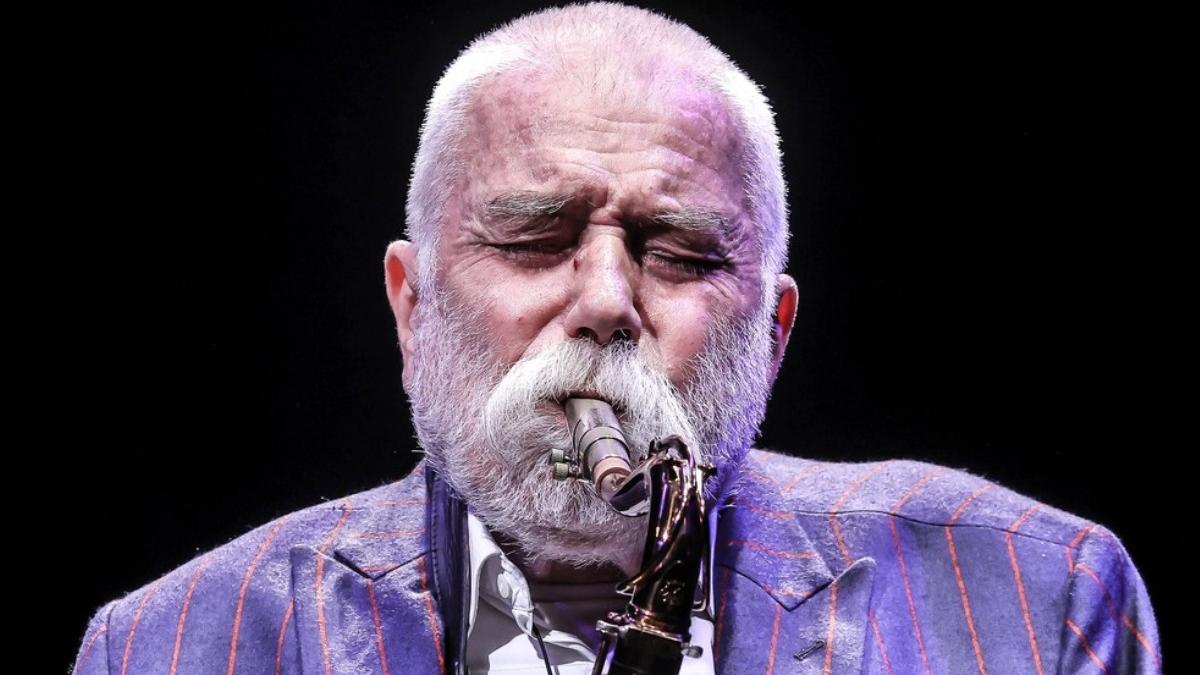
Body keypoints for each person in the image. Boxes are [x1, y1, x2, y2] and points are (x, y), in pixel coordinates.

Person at [71, 3, 1160, 674]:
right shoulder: (163, 649)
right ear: (411, 307)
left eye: (678, 252)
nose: (605, 302)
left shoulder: (1043, 594)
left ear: (774, 336)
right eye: (534, 238)